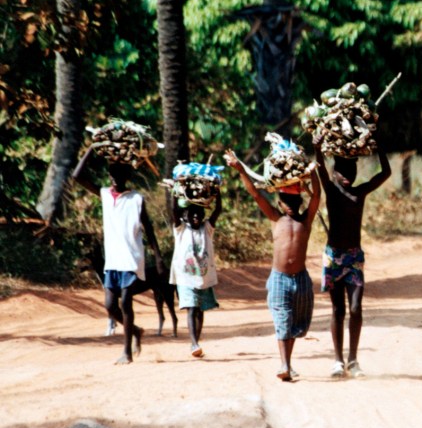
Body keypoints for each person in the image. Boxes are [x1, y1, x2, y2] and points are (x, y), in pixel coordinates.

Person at [224, 150, 321, 381]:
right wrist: (240, 170)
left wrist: (312, 171)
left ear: (300, 200)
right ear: (279, 201)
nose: (290, 205)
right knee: (282, 320)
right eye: (286, 201)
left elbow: (317, 196)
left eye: (294, 200)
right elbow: (256, 195)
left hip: (301, 279)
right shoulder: (276, 218)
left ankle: (288, 363)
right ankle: (284, 365)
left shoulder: (305, 220)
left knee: (296, 323)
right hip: (279, 278)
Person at [72, 149, 165, 365]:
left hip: (131, 259)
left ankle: (127, 352)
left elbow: (148, 229)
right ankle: (135, 331)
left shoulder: (136, 199)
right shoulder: (104, 194)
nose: (114, 178)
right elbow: (77, 176)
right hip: (113, 260)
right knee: (110, 306)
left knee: (125, 304)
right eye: (111, 174)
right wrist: (90, 150)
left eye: (118, 175)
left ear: (126, 177)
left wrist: (158, 257)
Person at [314, 145, 391, 378]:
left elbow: (385, 172)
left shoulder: (360, 192)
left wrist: (379, 143)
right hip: (334, 257)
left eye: (351, 170)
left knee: (356, 308)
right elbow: (320, 170)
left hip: (354, 258)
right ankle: (338, 360)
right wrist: (317, 147)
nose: (347, 176)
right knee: (338, 309)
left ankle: (353, 359)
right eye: (342, 171)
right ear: (335, 172)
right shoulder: (330, 190)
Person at [170, 192, 222, 359]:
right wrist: (175, 191)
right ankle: (194, 343)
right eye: (192, 213)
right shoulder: (180, 228)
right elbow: (174, 210)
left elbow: (218, 210)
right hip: (185, 277)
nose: (196, 216)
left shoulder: (207, 228)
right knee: (191, 309)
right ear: (186, 215)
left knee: (200, 311)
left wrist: (217, 192)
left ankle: (196, 341)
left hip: (203, 278)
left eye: (199, 213)